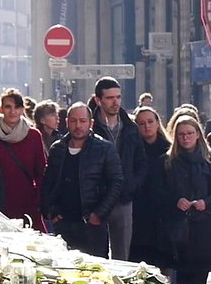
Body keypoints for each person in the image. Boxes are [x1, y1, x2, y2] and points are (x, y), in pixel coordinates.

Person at [42, 102, 124, 258]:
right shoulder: (57, 149)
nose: (78, 125)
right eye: (73, 121)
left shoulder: (104, 148)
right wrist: (50, 210)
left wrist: (99, 214)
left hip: (92, 226)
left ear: (90, 123)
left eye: (82, 121)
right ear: (67, 122)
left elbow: (117, 182)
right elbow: (48, 182)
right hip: (63, 225)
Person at [159, 114, 211, 284]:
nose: (186, 137)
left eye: (189, 133)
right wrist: (176, 201)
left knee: (201, 280)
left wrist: (207, 202)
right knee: (181, 280)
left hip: (205, 225)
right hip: (179, 226)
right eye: (181, 134)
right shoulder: (168, 161)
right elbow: (158, 191)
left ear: (198, 134)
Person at [91, 76, 147, 261]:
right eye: (109, 98)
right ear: (98, 100)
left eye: (118, 97)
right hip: (97, 200)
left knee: (122, 257)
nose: (115, 102)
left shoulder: (130, 128)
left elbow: (141, 162)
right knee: (95, 255)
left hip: (123, 200)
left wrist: (132, 186)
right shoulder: (89, 127)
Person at [0, 88, 48, 231]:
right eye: (8, 107)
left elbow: (41, 172)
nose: (12, 111)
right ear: (1, 109)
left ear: (22, 109)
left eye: (17, 107)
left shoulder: (34, 136)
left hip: (28, 203)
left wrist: (38, 201)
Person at [131, 105, 172, 267]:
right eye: (141, 123)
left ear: (157, 123)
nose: (146, 126)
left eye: (150, 121)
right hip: (139, 211)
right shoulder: (132, 149)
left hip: (164, 212)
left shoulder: (170, 149)